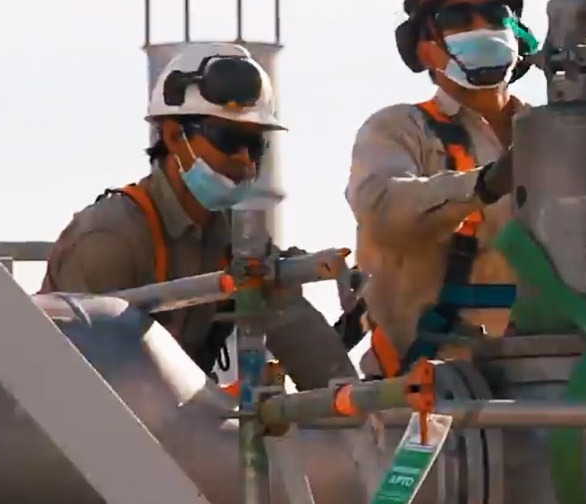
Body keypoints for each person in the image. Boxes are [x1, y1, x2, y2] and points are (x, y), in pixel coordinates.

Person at [39, 42, 355, 390]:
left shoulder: (236, 240)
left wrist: (357, 415)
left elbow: (306, 345)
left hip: (168, 429)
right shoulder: (111, 239)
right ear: (175, 136)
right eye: (228, 139)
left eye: (256, 145)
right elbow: (82, 392)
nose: (245, 161)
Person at [345, 0, 538, 378]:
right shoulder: (399, 130)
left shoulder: (558, 134)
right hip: (420, 394)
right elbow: (383, 209)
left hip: (543, 389)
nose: (482, 27)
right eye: (458, 18)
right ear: (424, 46)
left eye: (495, 15)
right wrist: (484, 184)